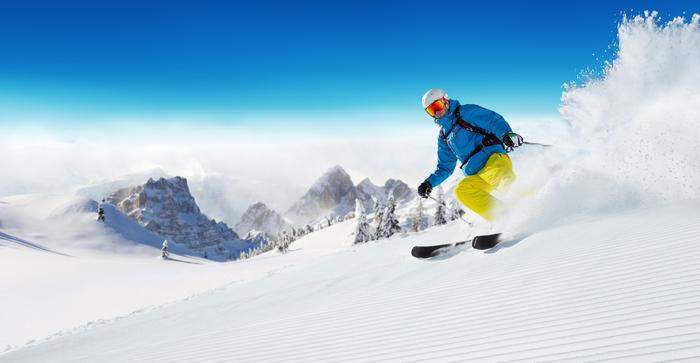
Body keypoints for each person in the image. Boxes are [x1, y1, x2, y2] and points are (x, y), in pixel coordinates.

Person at [417, 88, 523, 222]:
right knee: (463, 190)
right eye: (431, 110)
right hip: (477, 174)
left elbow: (492, 120)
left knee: (499, 177)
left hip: (494, 159)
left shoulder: (465, 112)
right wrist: (429, 183)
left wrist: (506, 134)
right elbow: (445, 167)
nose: (437, 112)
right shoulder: (444, 136)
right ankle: (503, 217)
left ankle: (527, 206)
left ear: (445, 100)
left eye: (437, 106)